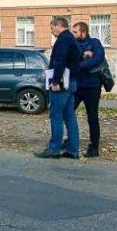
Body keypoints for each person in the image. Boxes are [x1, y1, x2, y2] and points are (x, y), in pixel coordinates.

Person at [35, 18, 82, 159]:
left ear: (59, 26)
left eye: (52, 28)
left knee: (56, 116)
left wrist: (54, 81)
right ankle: (73, 150)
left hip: (61, 84)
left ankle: (54, 149)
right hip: (71, 81)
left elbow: (60, 61)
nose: (51, 31)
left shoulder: (63, 39)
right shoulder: (72, 39)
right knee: (70, 117)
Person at [72, 22, 105, 158]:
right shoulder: (74, 44)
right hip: (76, 86)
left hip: (92, 86)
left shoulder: (95, 43)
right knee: (68, 114)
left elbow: (98, 58)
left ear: (83, 32)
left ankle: (94, 147)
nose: (73, 34)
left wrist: (80, 65)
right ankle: (70, 140)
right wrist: (83, 55)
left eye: (75, 32)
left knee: (92, 118)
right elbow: (71, 59)